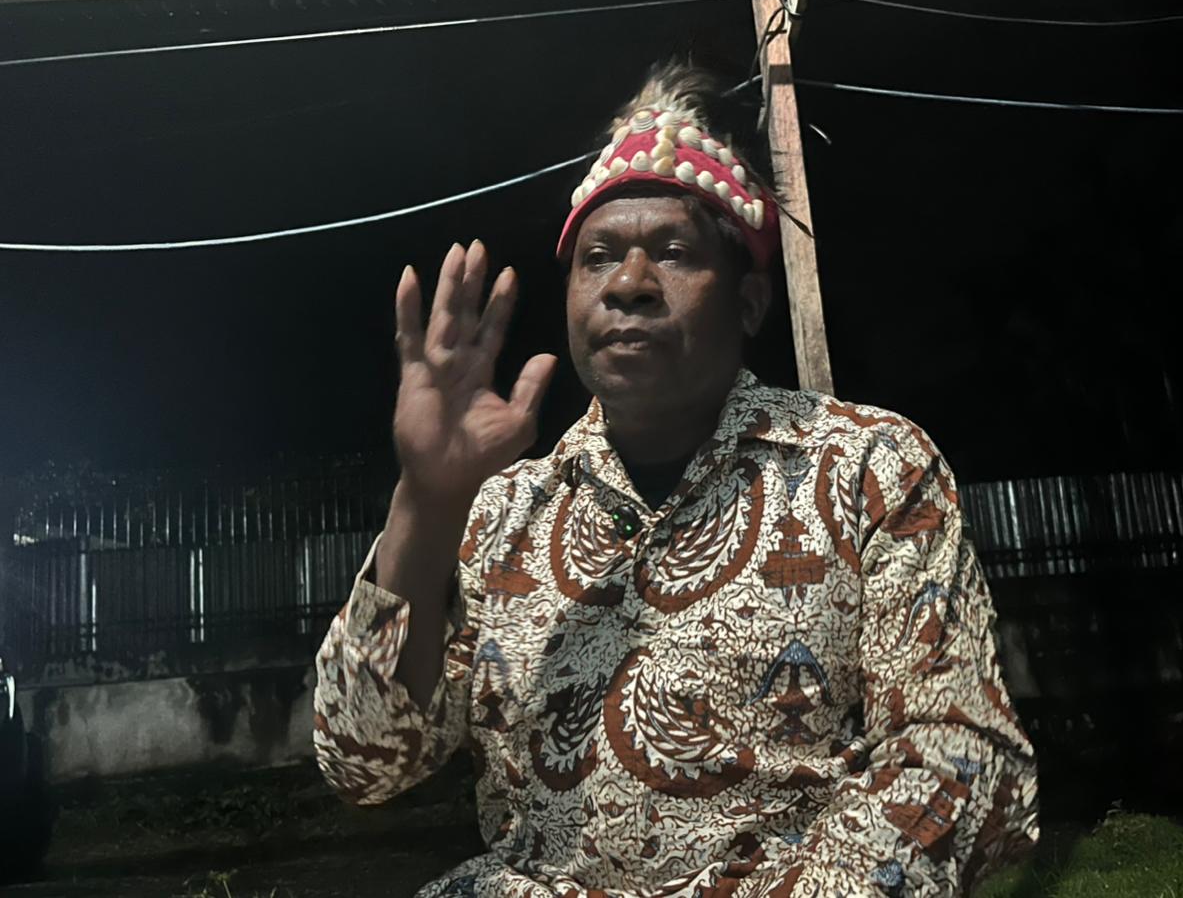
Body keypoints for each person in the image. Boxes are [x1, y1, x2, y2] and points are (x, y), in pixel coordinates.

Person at [314, 62, 1038, 897]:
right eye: (598, 257)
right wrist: (427, 501)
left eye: (673, 251)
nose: (628, 284)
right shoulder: (501, 512)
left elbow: (961, 757)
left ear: (750, 301)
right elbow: (364, 760)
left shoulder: (868, 469)